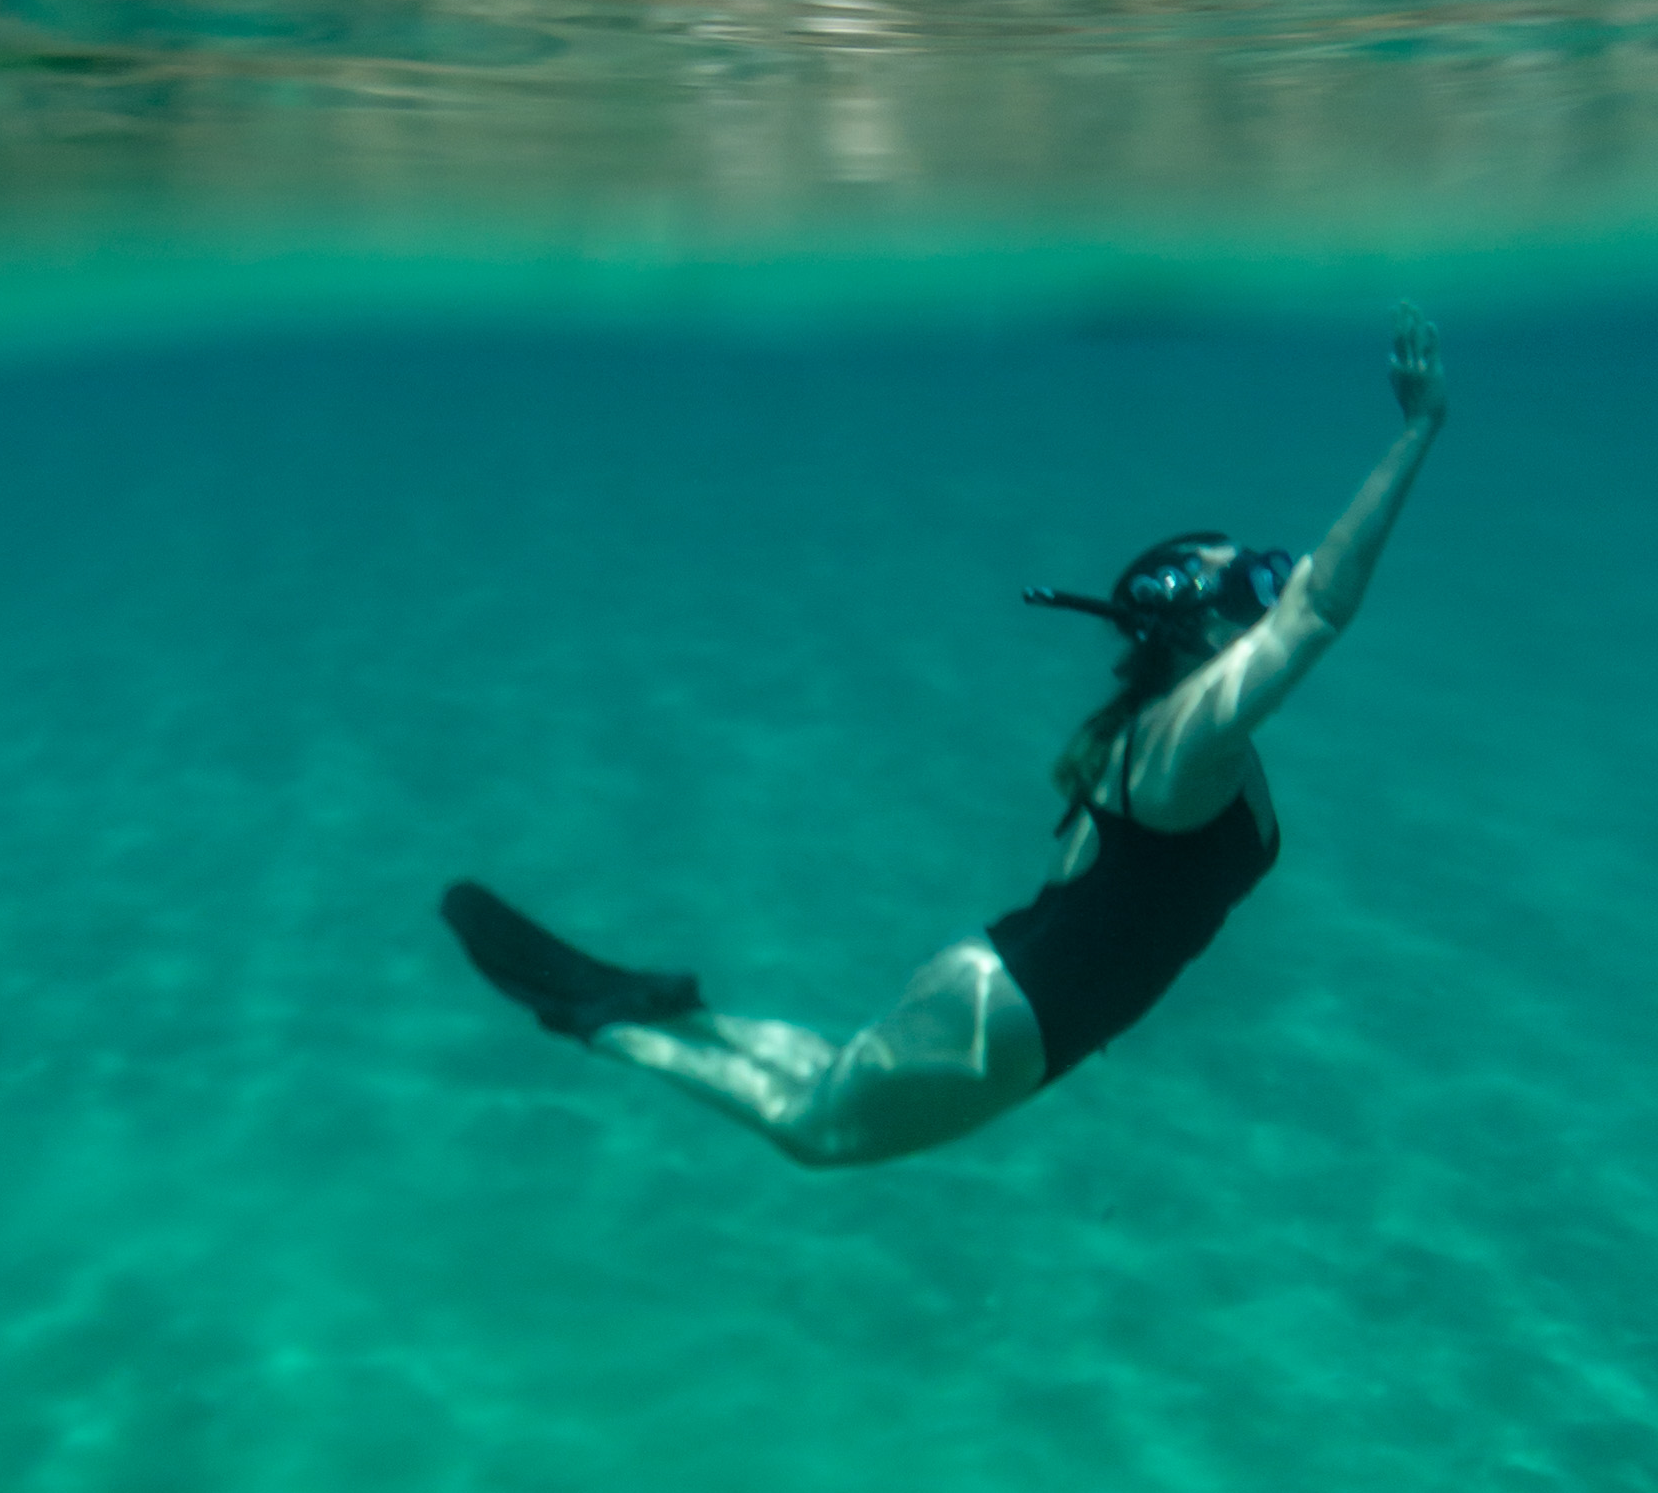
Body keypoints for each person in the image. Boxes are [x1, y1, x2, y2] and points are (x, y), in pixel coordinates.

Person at [441, 312, 1448, 1170]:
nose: (1261, 595)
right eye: (1240, 585)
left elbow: (1100, 876)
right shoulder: (1190, 737)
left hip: (1004, 983)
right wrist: (1417, 433)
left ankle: (671, 1012)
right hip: (1018, 1014)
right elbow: (1317, 612)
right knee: (820, 1136)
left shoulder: (1155, 734)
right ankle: (611, 1030)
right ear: (1189, 617)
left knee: (833, 1087)